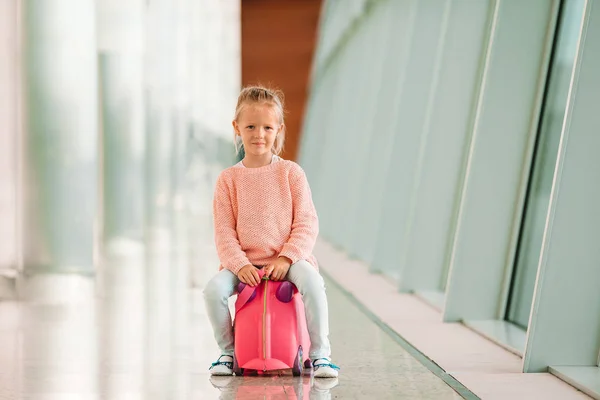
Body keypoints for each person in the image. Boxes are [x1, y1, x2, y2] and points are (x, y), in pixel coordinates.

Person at [203, 85, 339, 378]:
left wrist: (287, 259)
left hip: (288, 262)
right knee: (213, 290)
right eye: (250, 126)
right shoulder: (228, 180)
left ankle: (320, 355)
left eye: (266, 127)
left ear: (278, 129)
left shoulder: (291, 173)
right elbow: (224, 233)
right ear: (236, 127)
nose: (258, 134)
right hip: (244, 265)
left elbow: (306, 223)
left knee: (314, 284)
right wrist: (240, 265)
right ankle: (228, 352)